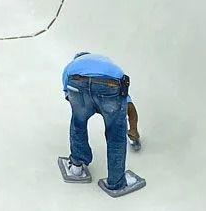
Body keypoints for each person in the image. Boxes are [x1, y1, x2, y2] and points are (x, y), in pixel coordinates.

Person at [58, 51, 145, 197]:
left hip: (77, 82)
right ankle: (116, 183)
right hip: (111, 84)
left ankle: (77, 168)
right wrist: (133, 130)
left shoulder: (72, 65)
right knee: (116, 134)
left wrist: (83, 109)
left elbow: (68, 96)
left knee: (78, 123)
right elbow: (129, 107)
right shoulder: (108, 65)